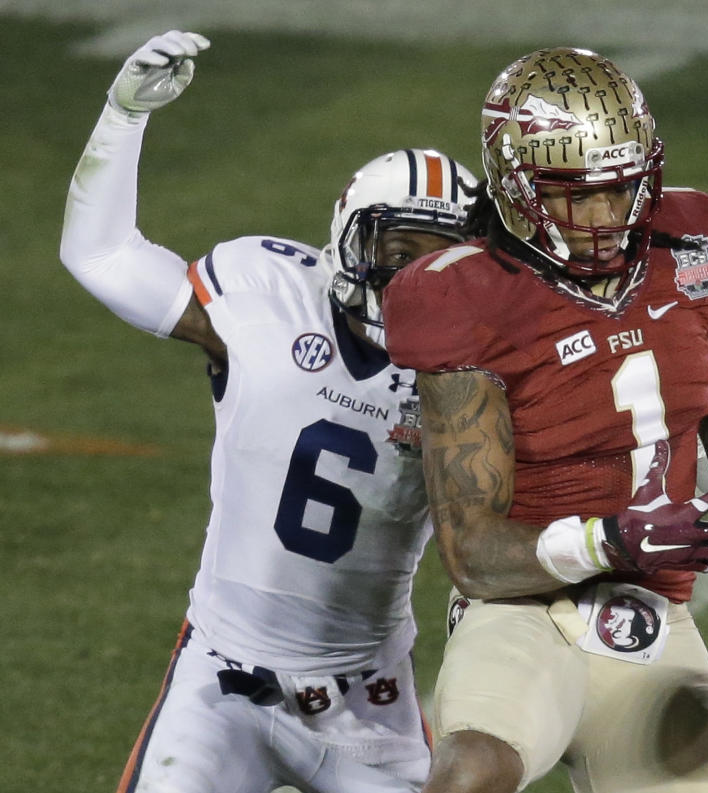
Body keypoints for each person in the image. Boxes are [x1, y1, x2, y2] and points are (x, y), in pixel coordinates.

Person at [382, 46, 708, 793]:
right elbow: (472, 552)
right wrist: (615, 536)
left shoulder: (689, 248)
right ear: (514, 187)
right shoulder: (465, 299)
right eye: (577, 194)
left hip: (651, 621)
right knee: (469, 772)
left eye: (623, 189)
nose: (607, 216)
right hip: (522, 615)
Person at [59, 31, 477, 793]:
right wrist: (122, 117)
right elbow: (102, 254)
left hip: (368, 700)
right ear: (351, 240)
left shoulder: (473, 369)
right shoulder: (265, 296)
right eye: (399, 250)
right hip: (223, 679)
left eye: (440, 258)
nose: (416, 278)